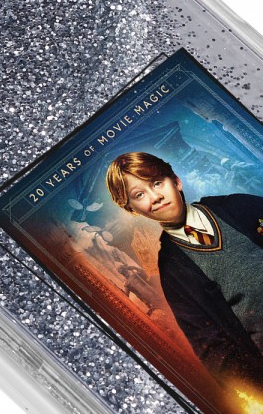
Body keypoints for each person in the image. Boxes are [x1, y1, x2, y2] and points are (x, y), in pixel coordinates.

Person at [105, 151, 263, 390]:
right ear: (132, 209)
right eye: (139, 195)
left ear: (176, 181)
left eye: (157, 183)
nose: (155, 197)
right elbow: (213, 350)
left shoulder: (237, 206)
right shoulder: (172, 272)